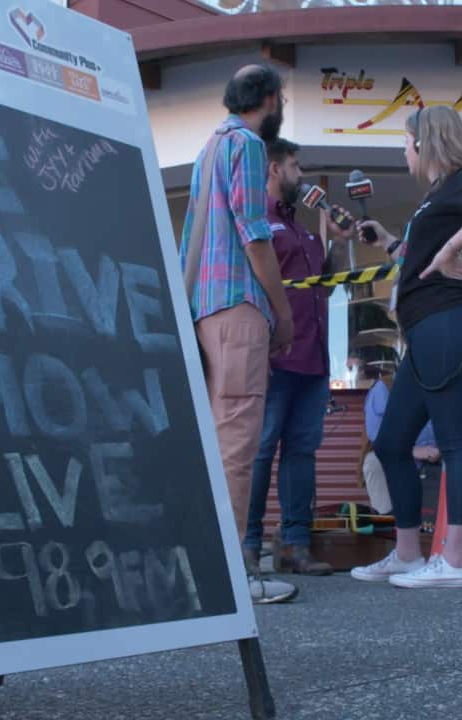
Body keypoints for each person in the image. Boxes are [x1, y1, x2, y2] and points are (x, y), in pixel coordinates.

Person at [348, 106, 462, 589]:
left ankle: (455, 563)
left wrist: (449, 249)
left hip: (446, 326)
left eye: (404, 142)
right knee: (391, 444)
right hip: (423, 334)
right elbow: (419, 264)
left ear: (424, 142)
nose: (403, 151)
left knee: (456, 443)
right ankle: (407, 554)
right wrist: (394, 243)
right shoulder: (437, 196)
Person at [180, 64, 298, 604]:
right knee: (236, 442)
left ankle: (208, 565)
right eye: (283, 100)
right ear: (271, 99)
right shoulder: (248, 146)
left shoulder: (209, 148)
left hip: (204, 309)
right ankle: (229, 577)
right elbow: (255, 237)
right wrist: (283, 310)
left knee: (213, 441)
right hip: (237, 308)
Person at [242, 138, 351, 577]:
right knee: (260, 450)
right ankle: (248, 545)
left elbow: (328, 285)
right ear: (273, 168)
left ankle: (296, 546)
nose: (301, 174)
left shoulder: (305, 231)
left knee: (302, 452)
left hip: (314, 360)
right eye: (295, 166)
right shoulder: (257, 225)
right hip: (273, 356)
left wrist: (339, 241)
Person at [359, 367, 439, 518]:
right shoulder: (384, 388)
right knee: (373, 462)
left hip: (438, 458)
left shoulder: (442, 385)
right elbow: (378, 437)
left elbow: (455, 429)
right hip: (398, 457)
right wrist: (412, 451)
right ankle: (387, 524)